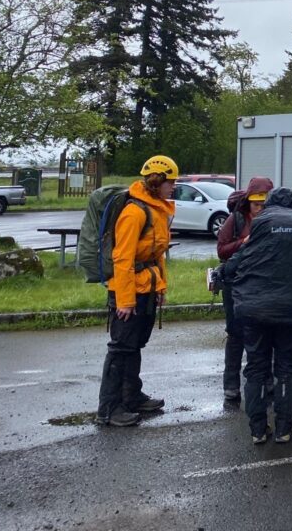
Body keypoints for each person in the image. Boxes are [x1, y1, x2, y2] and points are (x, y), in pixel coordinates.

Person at [221, 187, 292, 445]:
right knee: (286, 368)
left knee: (256, 367)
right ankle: (284, 429)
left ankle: (257, 429)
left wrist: (223, 273)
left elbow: (241, 257)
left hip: (255, 308)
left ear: (269, 205)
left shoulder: (263, 222)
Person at [96, 154, 177, 427]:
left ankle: (132, 397)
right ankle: (109, 409)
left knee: (135, 345)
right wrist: (125, 300)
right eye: (171, 182)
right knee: (120, 348)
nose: (174, 186)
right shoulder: (135, 212)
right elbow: (122, 258)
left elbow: (158, 256)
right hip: (128, 292)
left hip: (147, 288)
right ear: (157, 182)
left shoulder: (156, 209)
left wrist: (161, 288)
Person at [215, 176, 274, 400]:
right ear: (248, 202)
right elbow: (221, 251)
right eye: (256, 204)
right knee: (236, 334)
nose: (259, 209)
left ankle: (265, 379)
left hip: (262, 284)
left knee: (264, 334)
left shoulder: (272, 219)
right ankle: (231, 385)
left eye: (263, 204)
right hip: (235, 285)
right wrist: (244, 242)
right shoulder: (236, 219)